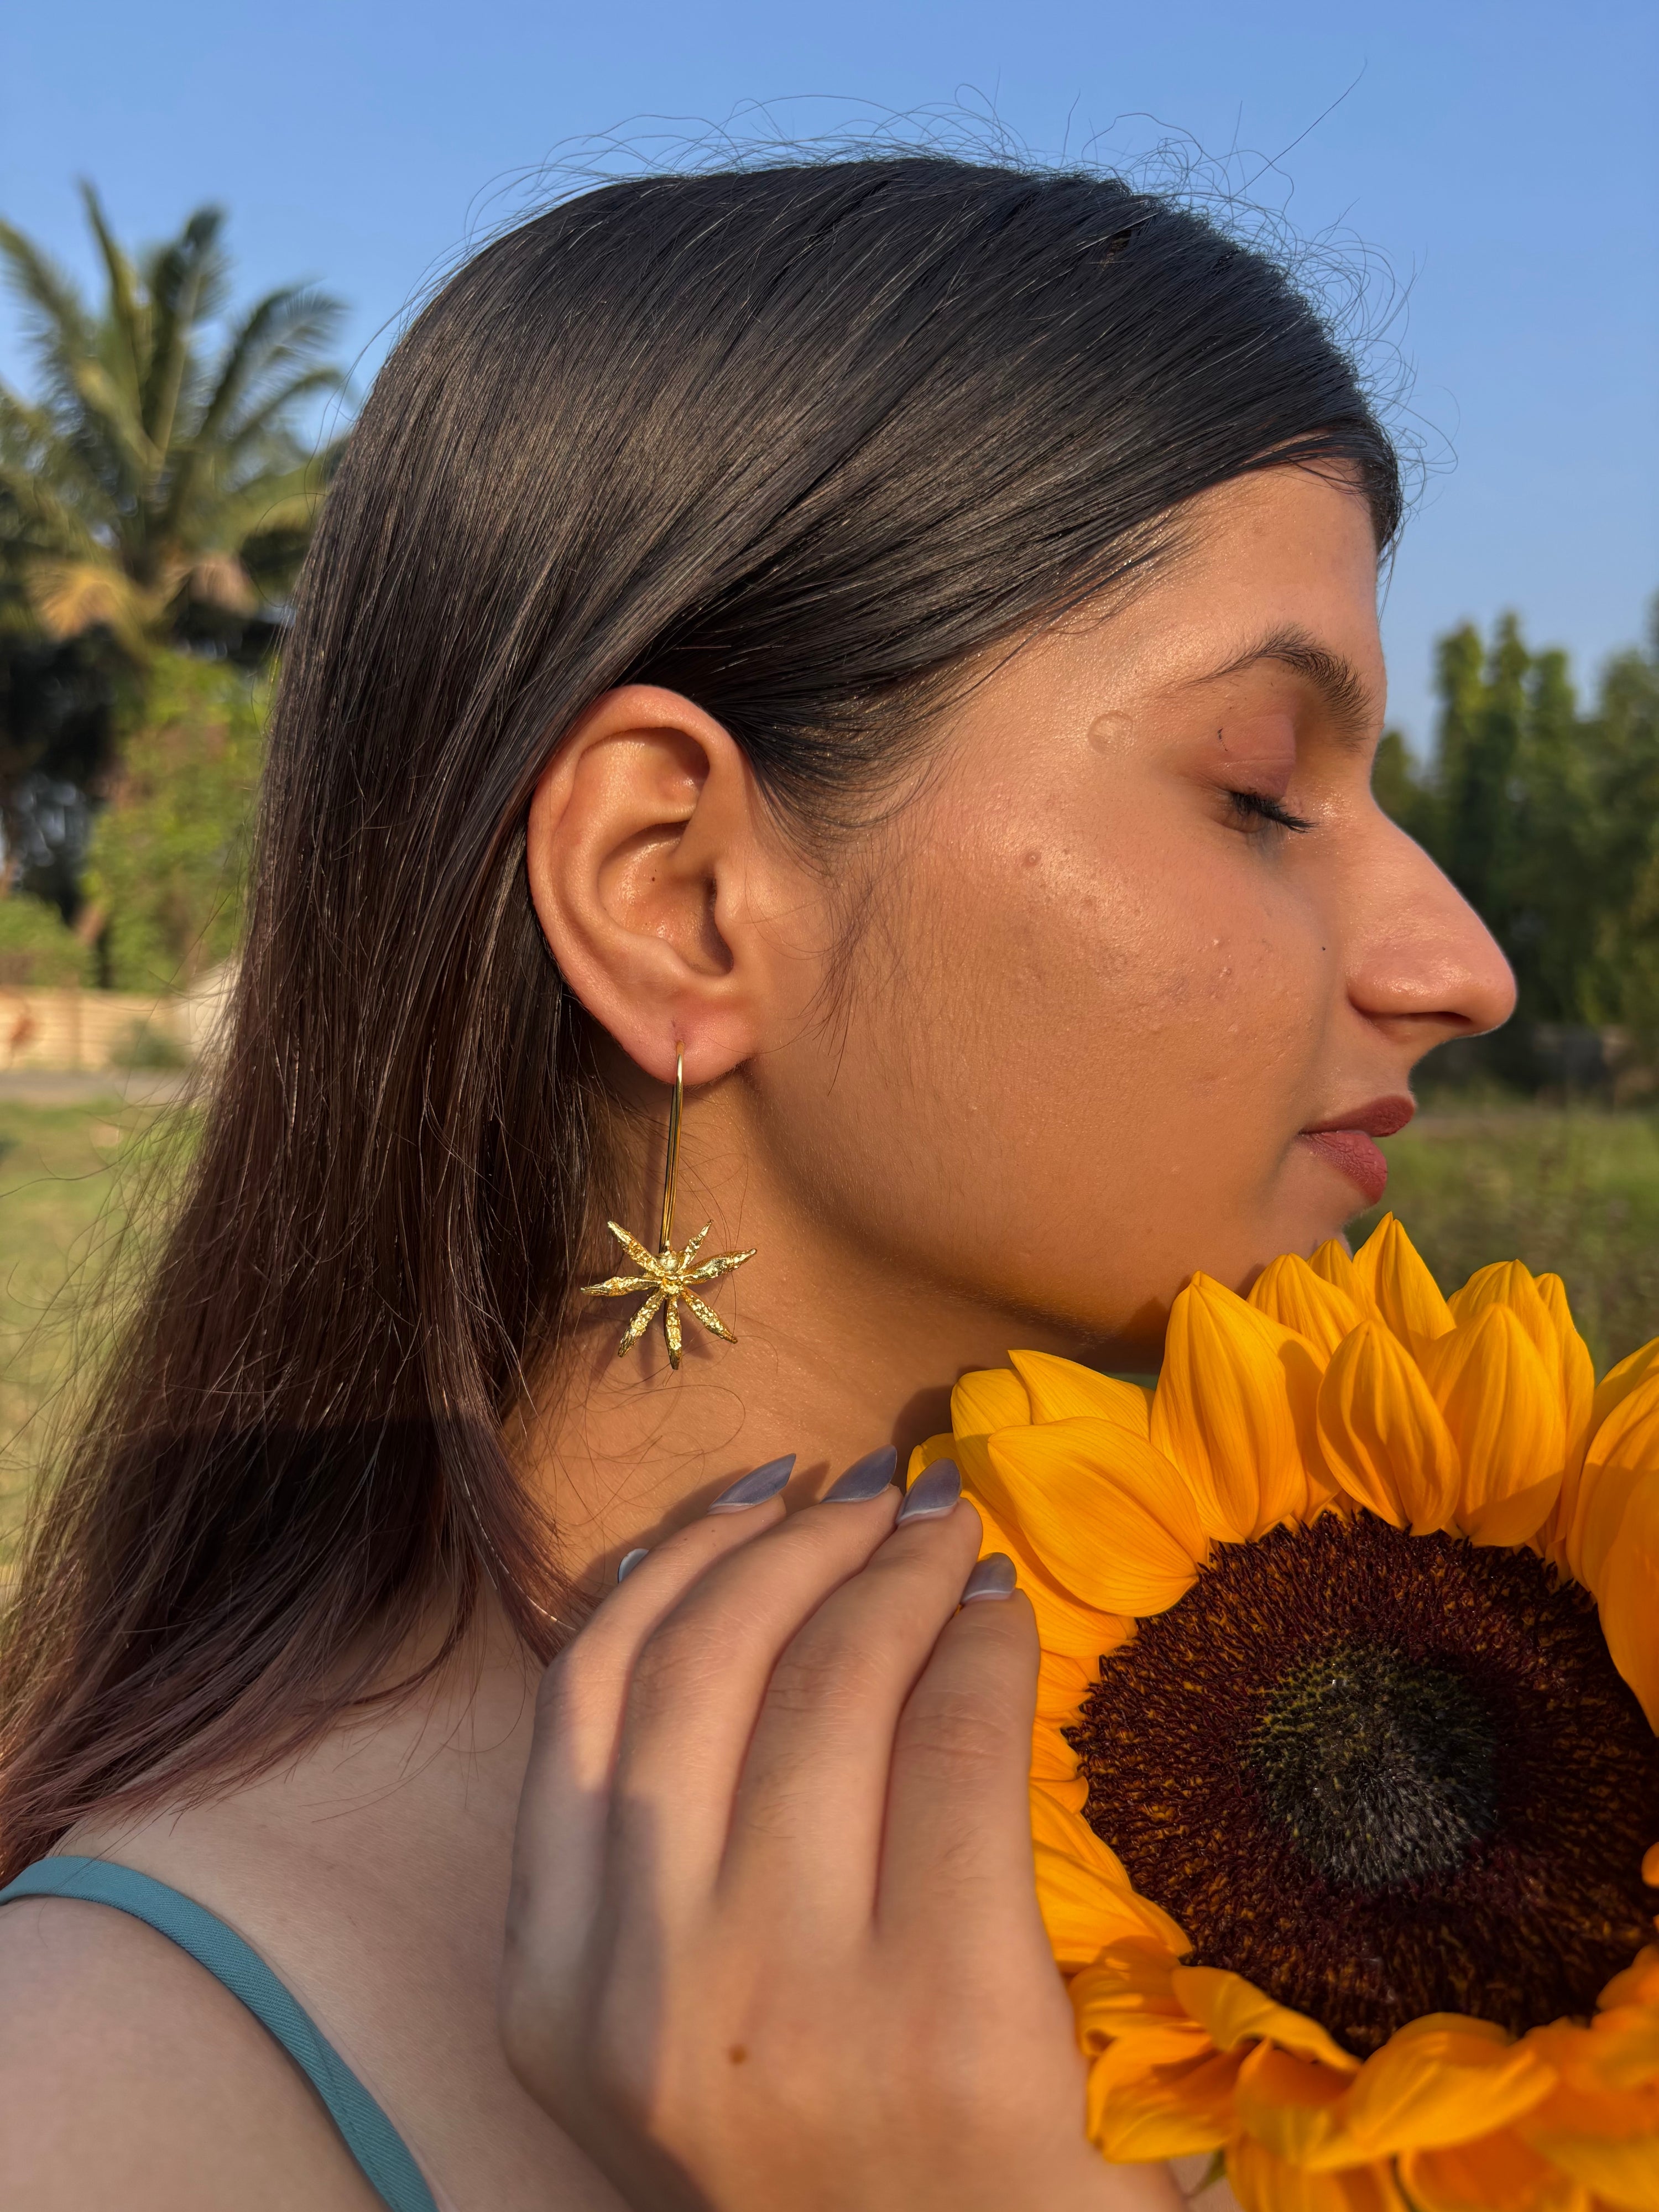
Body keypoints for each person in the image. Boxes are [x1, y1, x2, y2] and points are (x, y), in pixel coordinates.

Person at [0, 154, 1513, 2210]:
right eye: (1261, 790)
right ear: (679, 896)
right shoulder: (98, 2113)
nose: (1460, 963)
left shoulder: (1439, 1815)